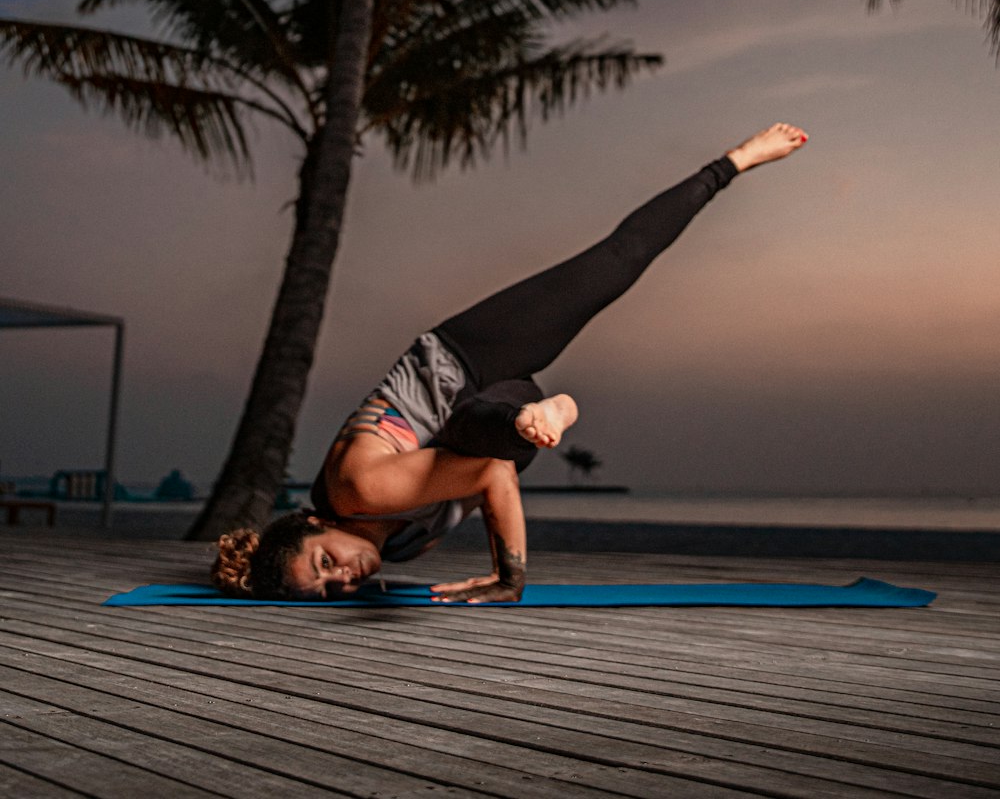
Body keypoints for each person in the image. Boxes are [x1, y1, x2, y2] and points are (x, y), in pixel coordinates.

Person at [213, 122, 807, 602]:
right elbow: (487, 474)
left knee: (615, 264)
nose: (343, 579)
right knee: (490, 438)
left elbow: (491, 478)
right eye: (328, 591)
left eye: (325, 564)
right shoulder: (398, 549)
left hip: (465, 356)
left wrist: (509, 578)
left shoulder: (357, 489)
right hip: (492, 416)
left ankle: (732, 162)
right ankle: (537, 412)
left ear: (316, 525)